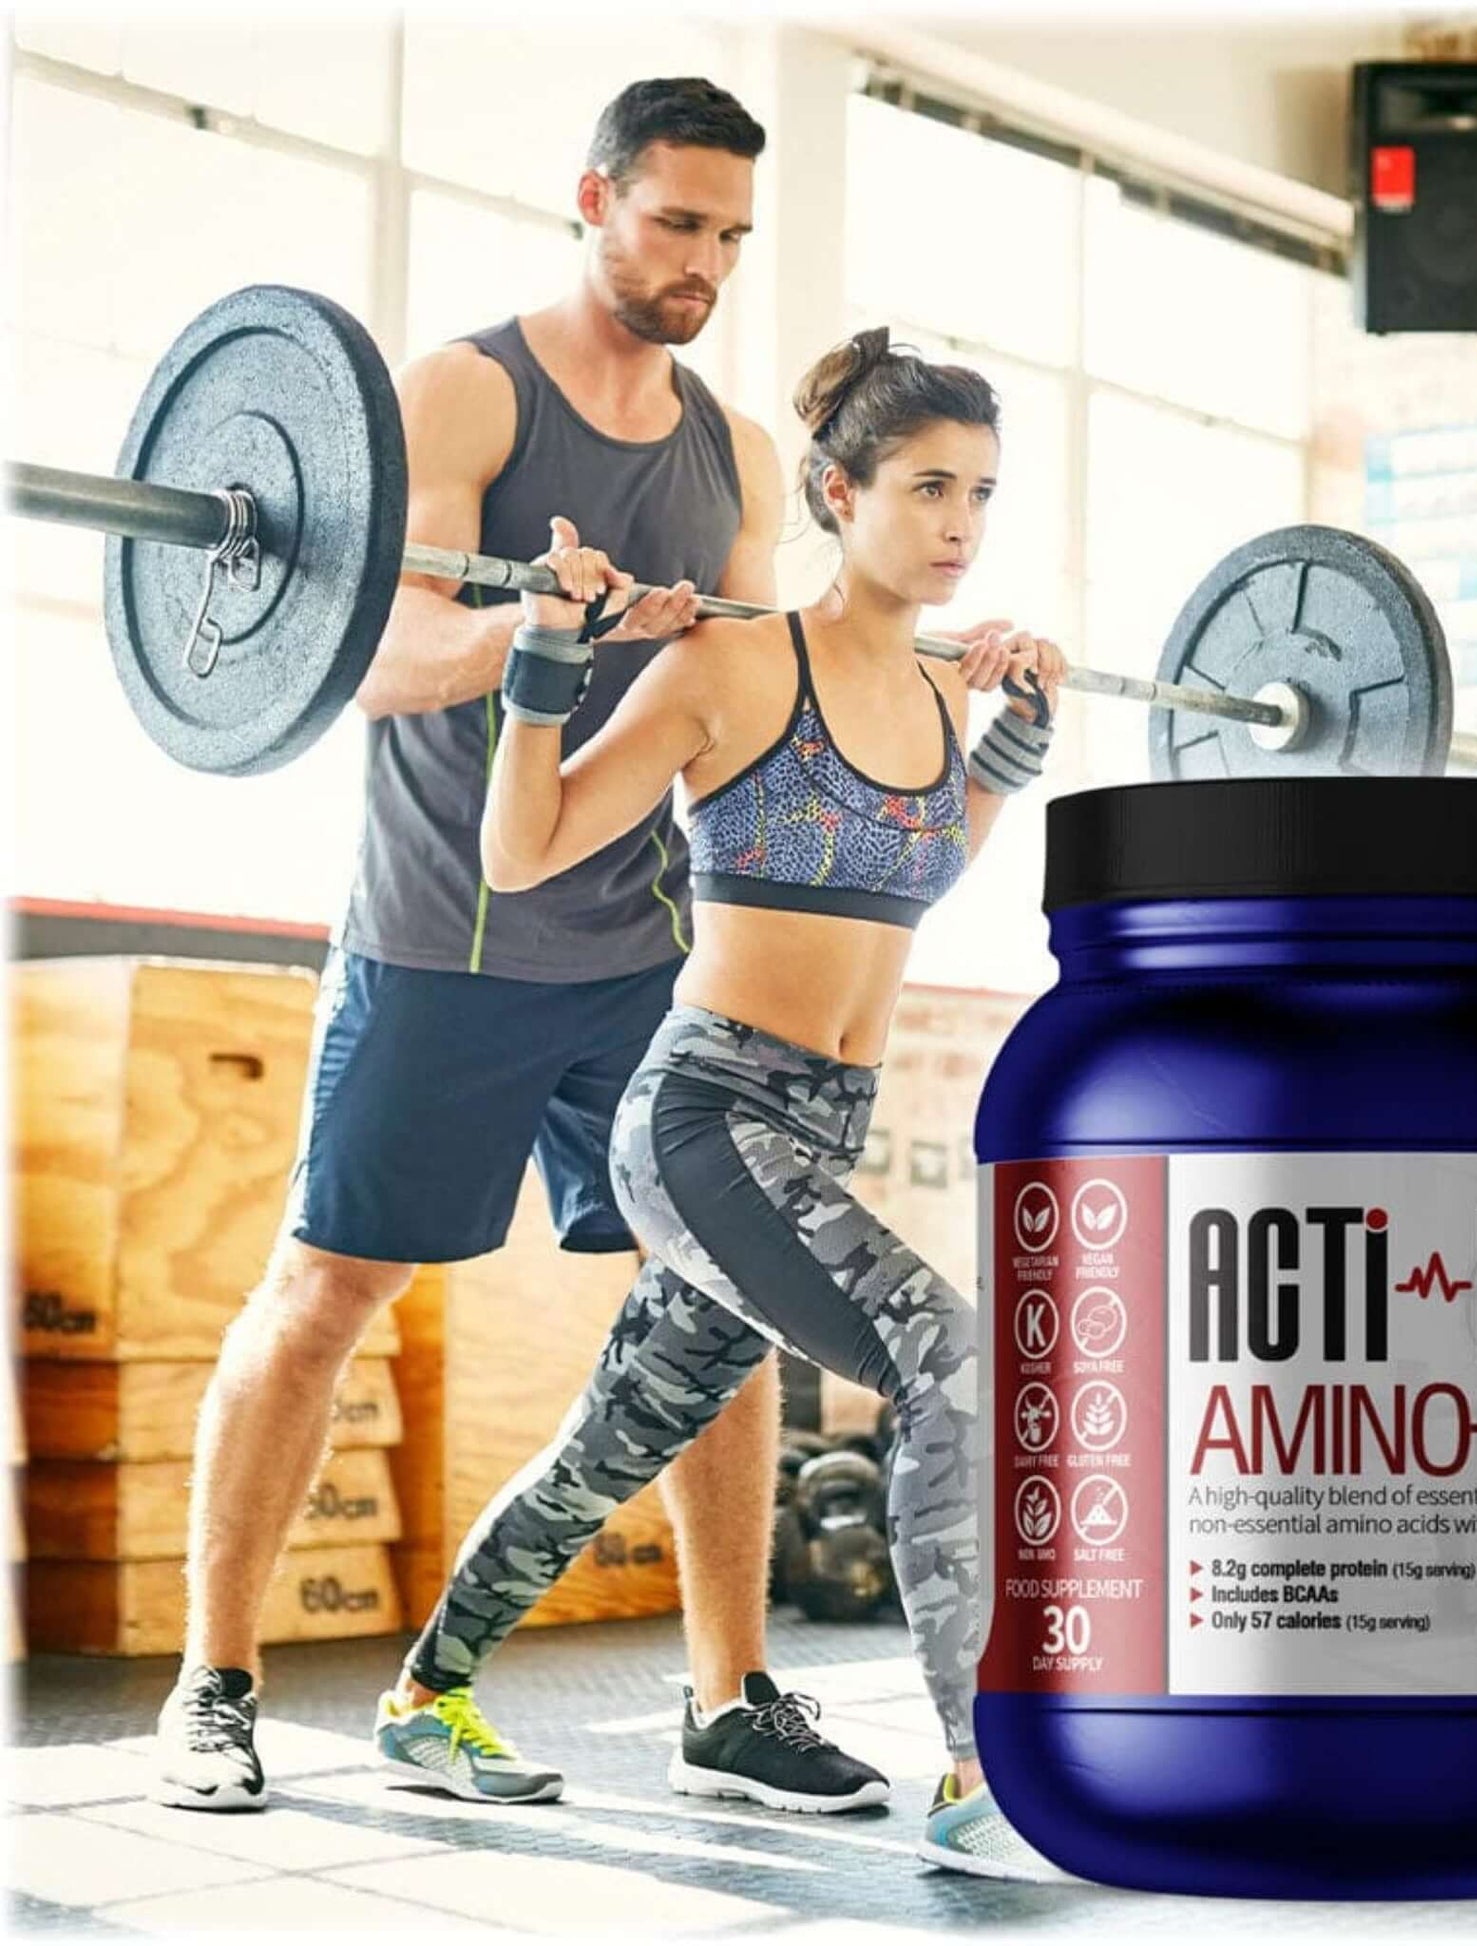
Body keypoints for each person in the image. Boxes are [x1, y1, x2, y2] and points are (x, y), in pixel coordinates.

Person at [153, 77, 884, 1820]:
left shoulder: (734, 451)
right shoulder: (463, 388)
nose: (702, 261)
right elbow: (358, 651)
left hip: (642, 944)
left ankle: (731, 1693)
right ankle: (215, 1685)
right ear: (594, 199)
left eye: (728, 234)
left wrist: (923, 662)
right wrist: (522, 626)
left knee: (709, 1299)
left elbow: (755, 681)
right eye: (674, 221)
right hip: (443, 931)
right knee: (330, 1289)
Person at [376, 327, 1069, 1879]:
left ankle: (425, 1691)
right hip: (703, 1119)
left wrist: (1011, 749)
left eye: (983, 495)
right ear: (837, 491)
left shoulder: (954, 687)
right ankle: (976, 1764)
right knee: (950, 1358)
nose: (960, 523)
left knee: (605, 1448)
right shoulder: (730, 662)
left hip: (814, 1120)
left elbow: (919, 871)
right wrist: (545, 664)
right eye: (927, 487)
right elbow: (523, 849)